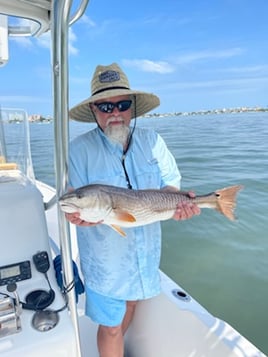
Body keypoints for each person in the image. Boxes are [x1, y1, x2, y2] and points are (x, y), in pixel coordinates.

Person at [66, 63, 200, 357]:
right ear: (93, 111)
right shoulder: (78, 150)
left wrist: (179, 203)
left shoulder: (153, 142)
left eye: (122, 104)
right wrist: (74, 214)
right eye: (104, 106)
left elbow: (170, 186)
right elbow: (72, 198)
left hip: (145, 253)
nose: (114, 113)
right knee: (111, 326)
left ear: (133, 107)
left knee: (132, 304)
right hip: (106, 262)